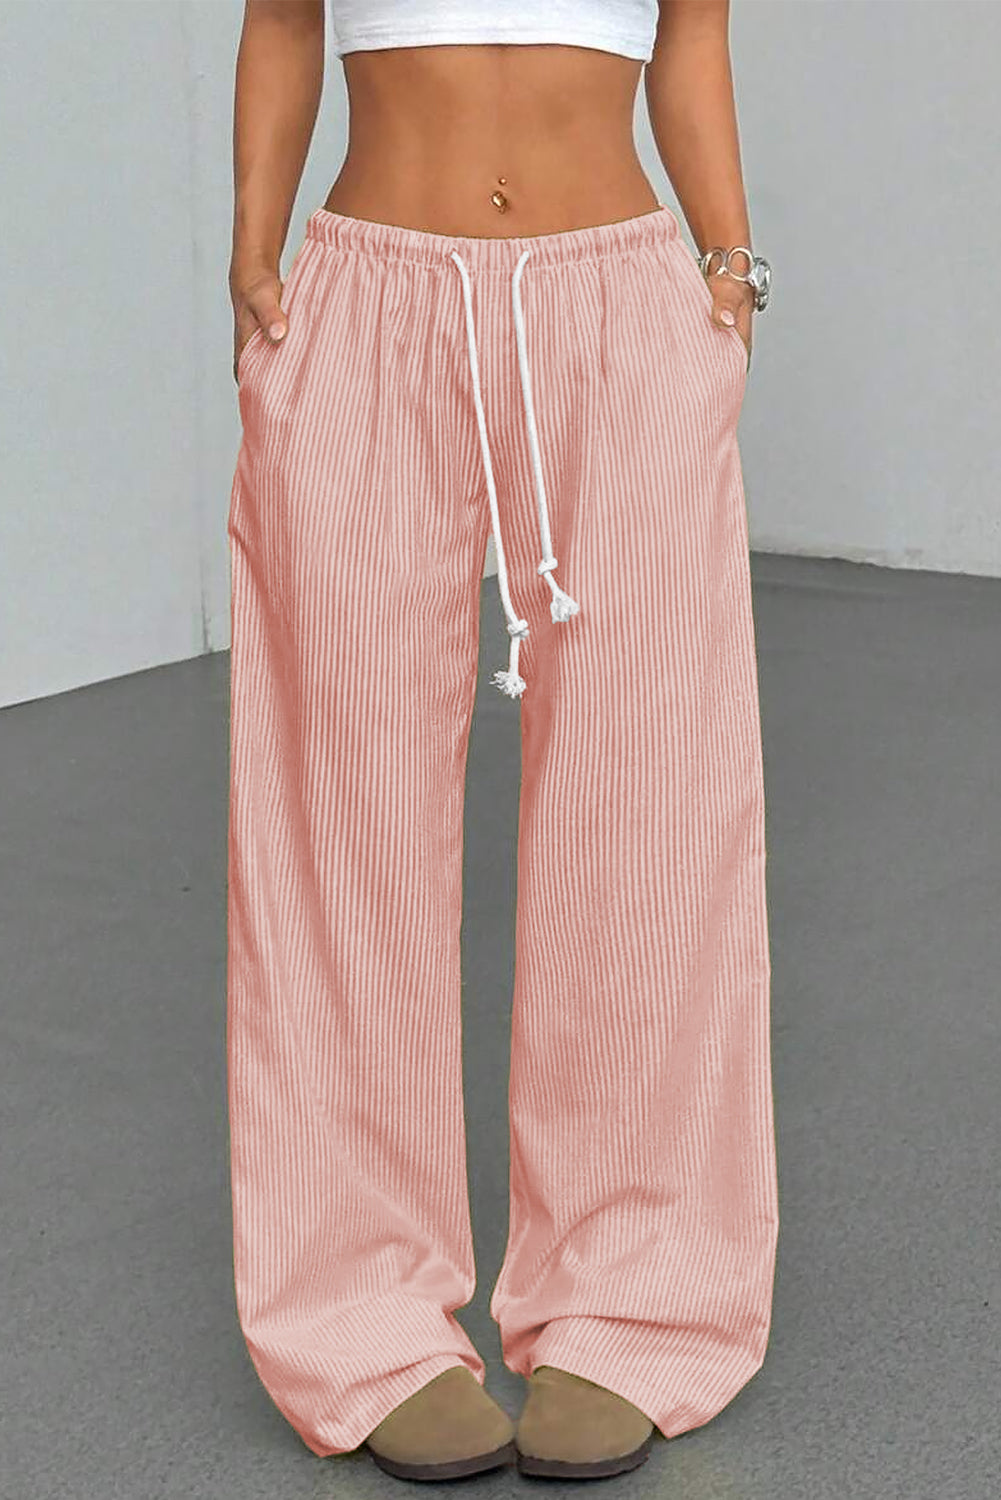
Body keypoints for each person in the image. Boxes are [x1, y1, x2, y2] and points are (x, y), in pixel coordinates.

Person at [226, 0, 778, 1483]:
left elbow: (693, 36)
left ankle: (636, 1294)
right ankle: (356, 1305)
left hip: (618, 306)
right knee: (340, 817)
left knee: (649, 811)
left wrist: (730, 268)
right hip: (364, 299)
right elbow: (279, 21)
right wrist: (252, 261)